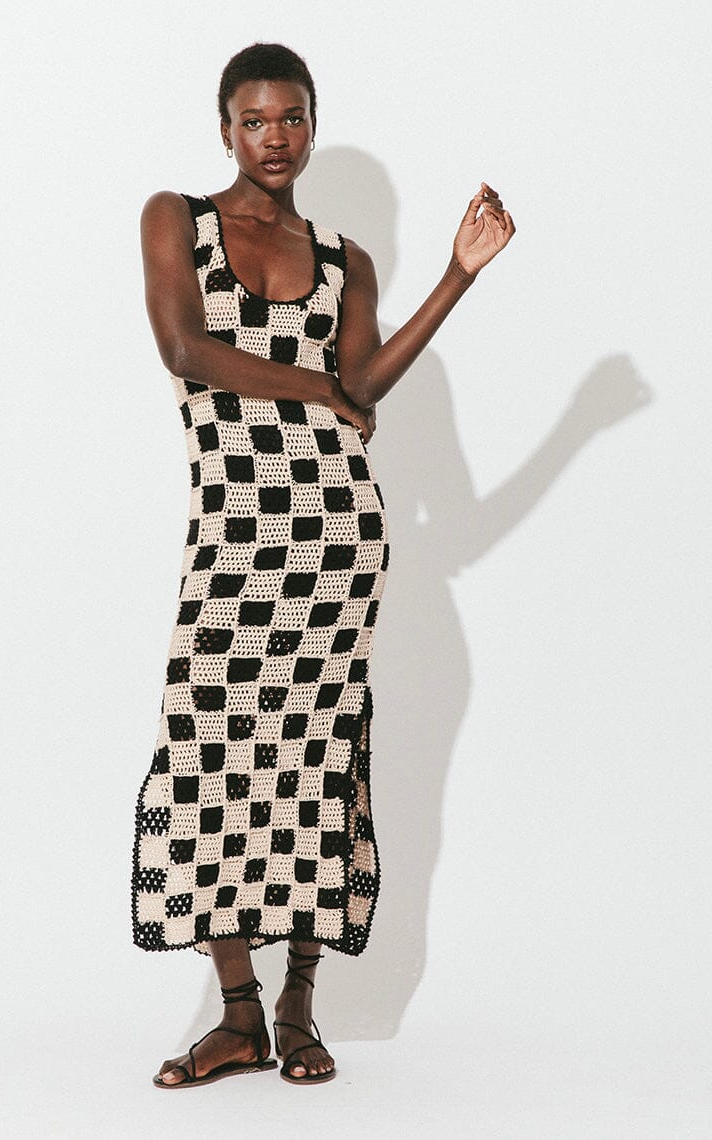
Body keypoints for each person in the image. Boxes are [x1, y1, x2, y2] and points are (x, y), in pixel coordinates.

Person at [132, 42, 514, 1088]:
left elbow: (367, 386)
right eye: (255, 120)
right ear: (225, 129)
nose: (275, 137)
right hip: (235, 534)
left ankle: (297, 1009)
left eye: (293, 118)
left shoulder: (344, 258)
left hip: (337, 537)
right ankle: (237, 1011)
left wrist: (457, 274)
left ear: (311, 125)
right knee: (209, 758)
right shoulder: (178, 218)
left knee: (313, 764)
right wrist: (316, 390)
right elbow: (185, 348)